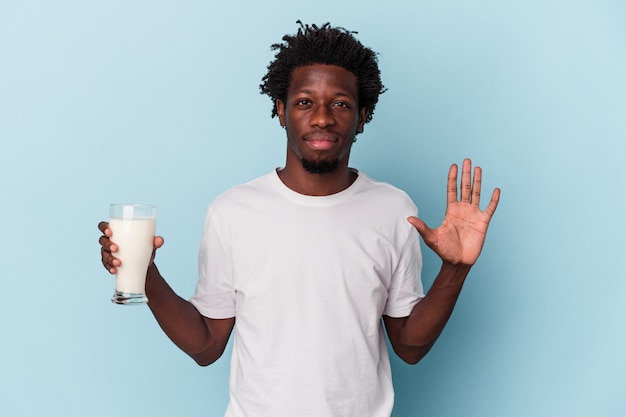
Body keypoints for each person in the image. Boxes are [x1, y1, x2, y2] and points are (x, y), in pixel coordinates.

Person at [98, 22, 500, 417]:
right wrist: (145, 272)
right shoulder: (232, 212)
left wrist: (455, 270)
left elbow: (409, 348)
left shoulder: (394, 209)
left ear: (362, 116)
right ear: (281, 110)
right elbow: (206, 346)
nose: (322, 118)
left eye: (340, 104)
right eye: (305, 101)